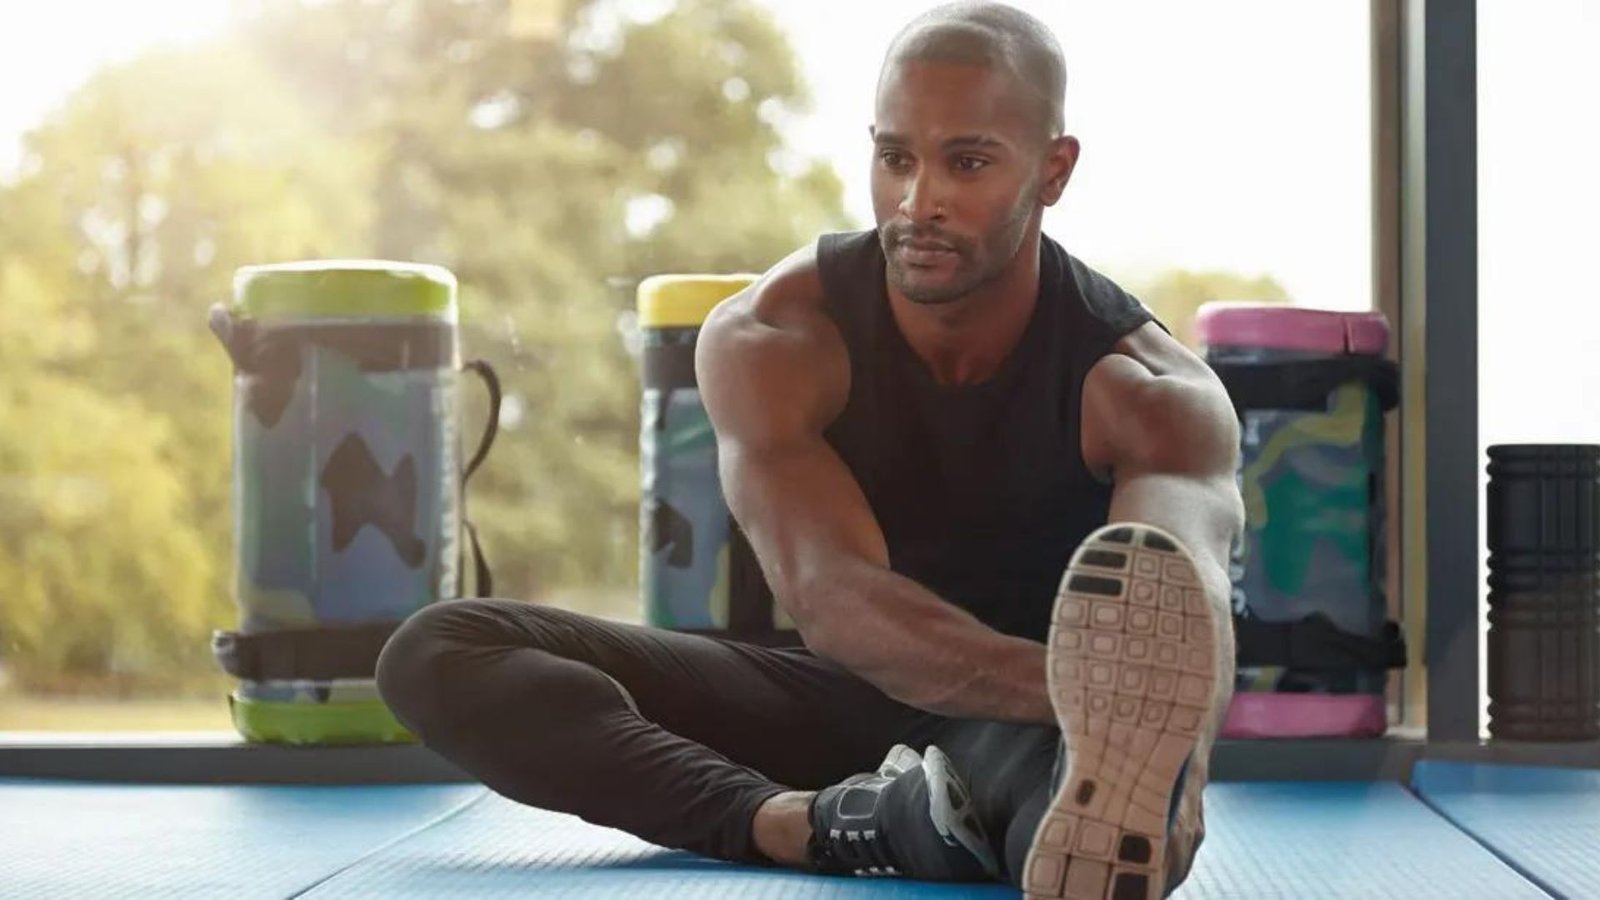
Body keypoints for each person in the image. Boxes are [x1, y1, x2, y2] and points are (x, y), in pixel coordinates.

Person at [375, 3, 1244, 898]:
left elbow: (1183, 628)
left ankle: (993, 820)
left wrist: (1148, 741)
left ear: (1053, 171)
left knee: (1070, 822)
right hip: (836, 697)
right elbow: (835, 602)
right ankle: (808, 824)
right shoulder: (776, 339)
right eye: (896, 158)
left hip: (1015, 733)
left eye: (969, 162)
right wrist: (1092, 694)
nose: (920, 202)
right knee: (441, 651)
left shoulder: (1150, 396)